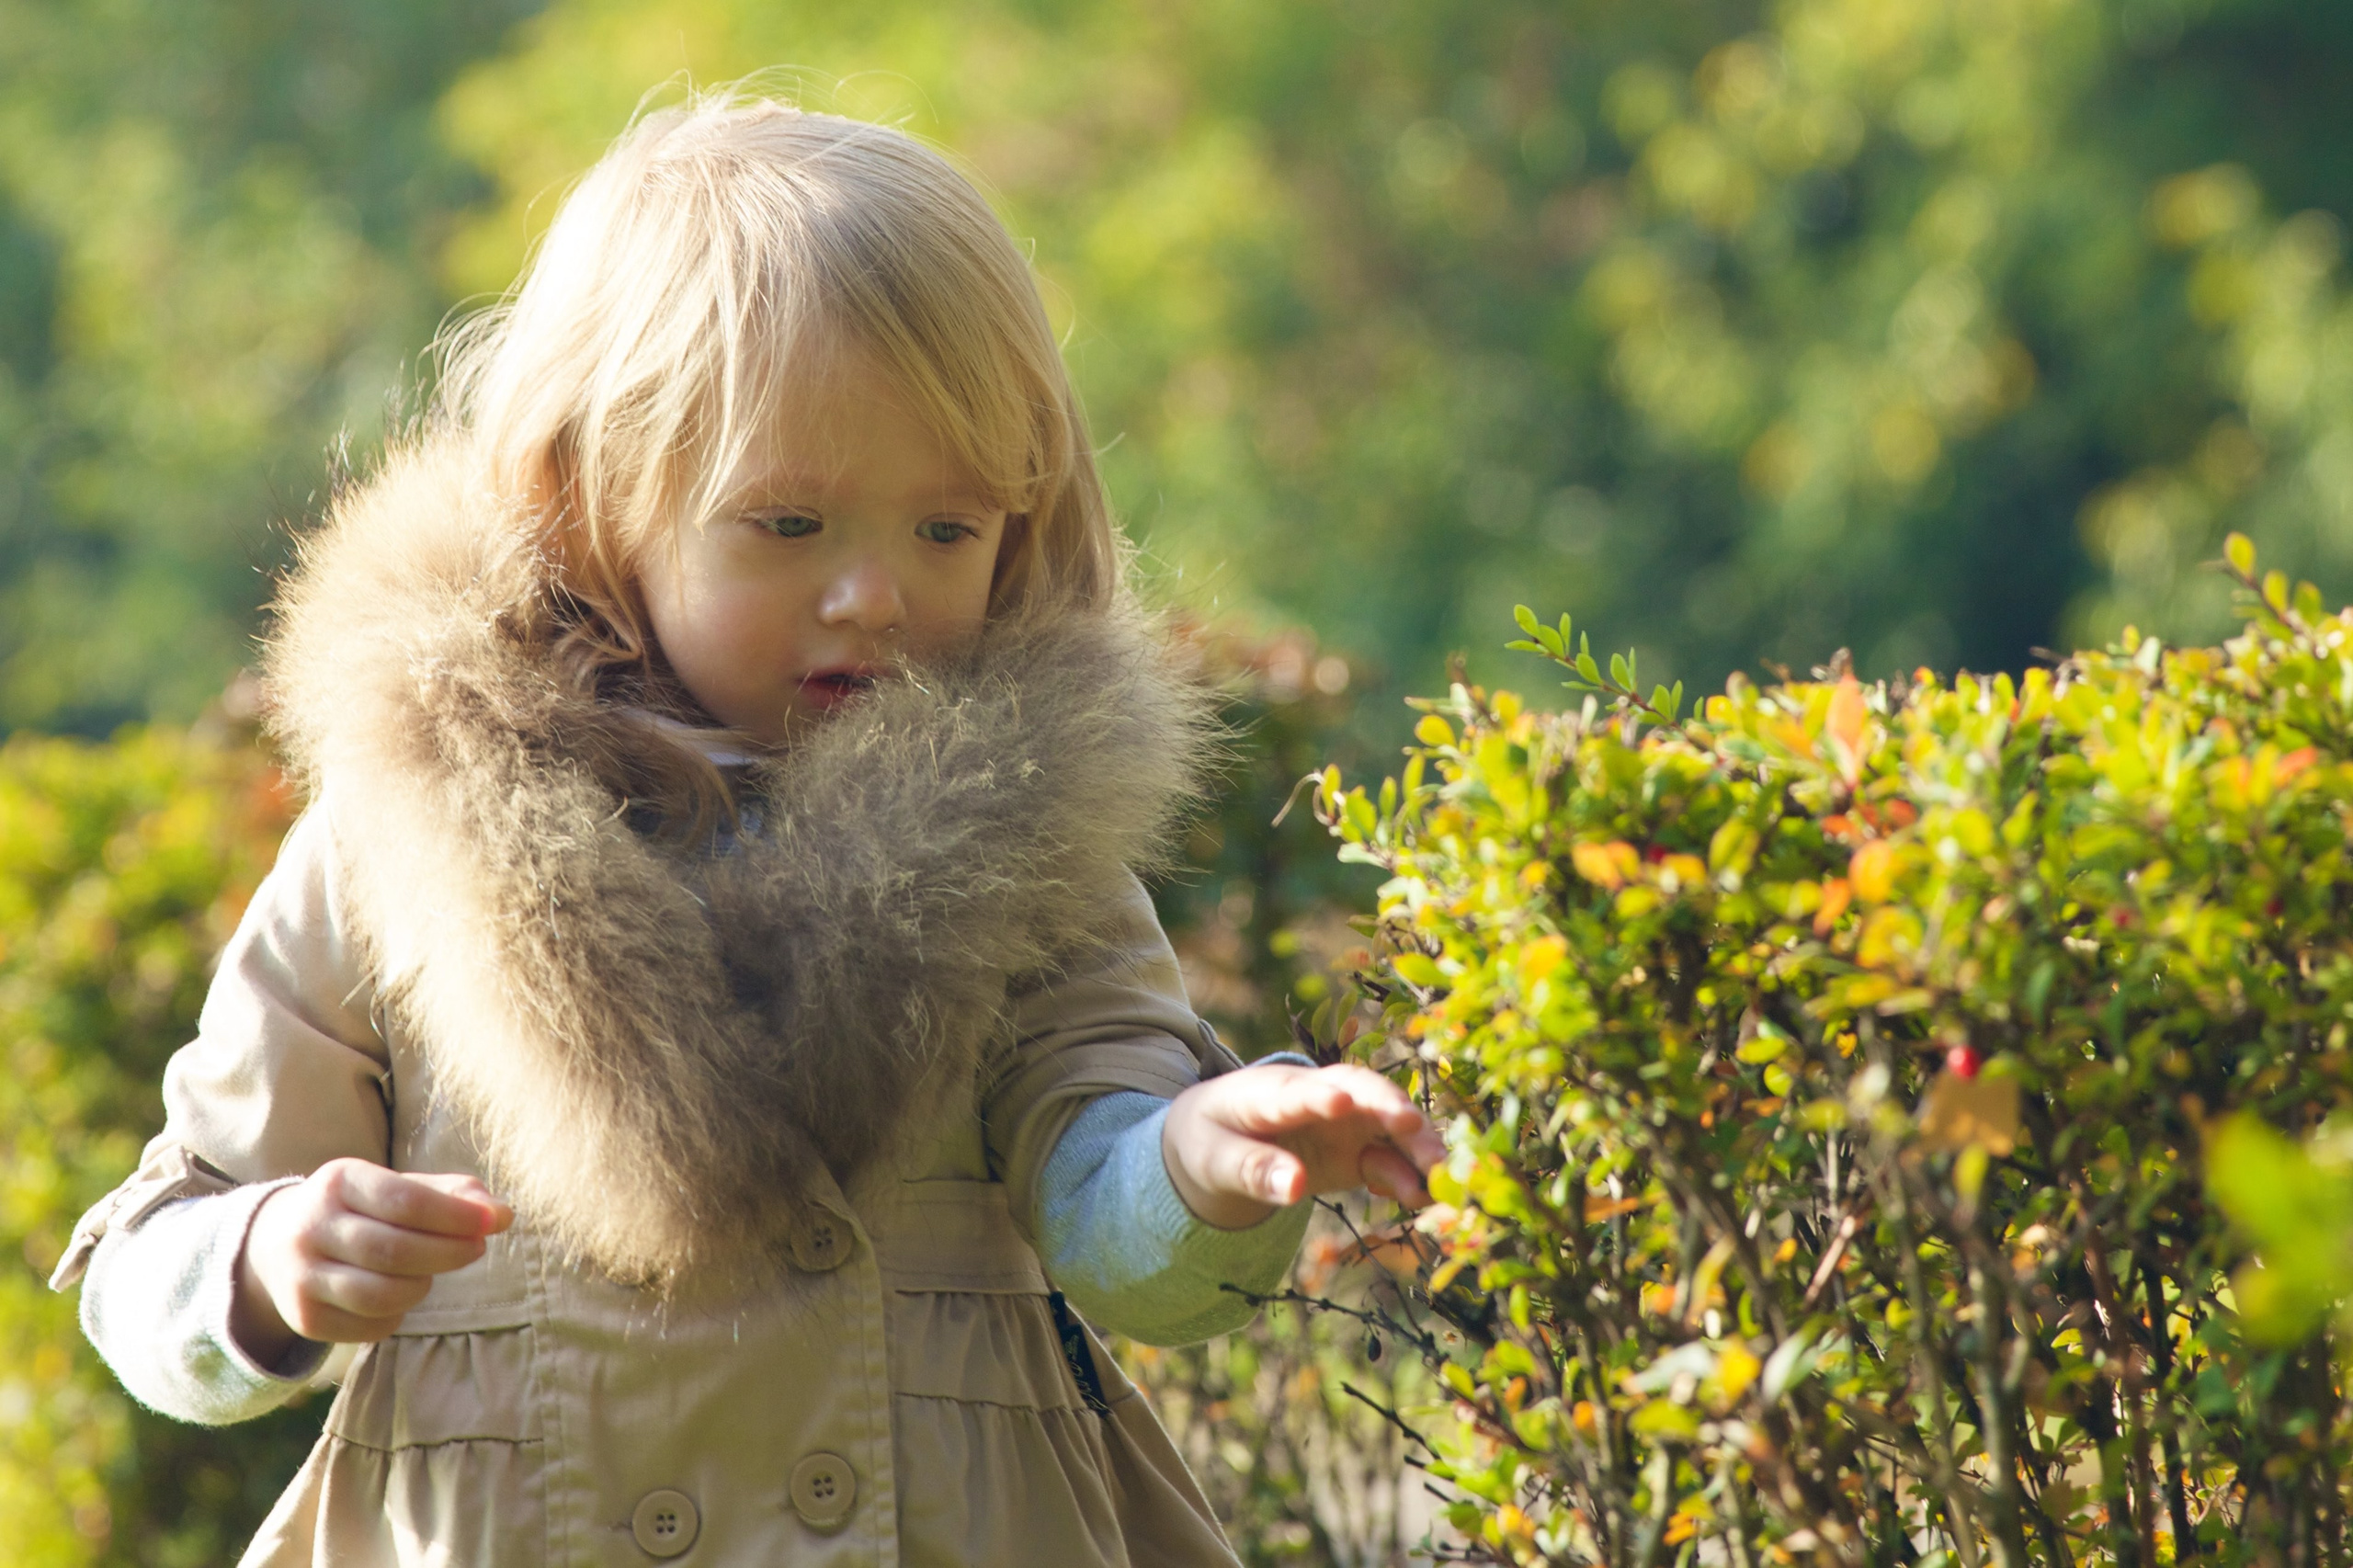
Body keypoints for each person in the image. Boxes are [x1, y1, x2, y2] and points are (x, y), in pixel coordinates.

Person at [49, 87, 1443, 1568]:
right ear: (590, 505)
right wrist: (265, 1260)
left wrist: (1194, 1160)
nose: (875, 594)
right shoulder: (407, 834)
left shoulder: (1027, 838)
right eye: (789, 526)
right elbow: (158, 1256)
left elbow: (1101, 1183)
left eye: (948, 527)